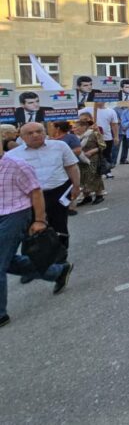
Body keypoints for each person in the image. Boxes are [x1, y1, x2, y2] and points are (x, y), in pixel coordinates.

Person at [1, 149, 74, 328]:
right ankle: (57, 271)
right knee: (7, 262)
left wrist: (40, 220)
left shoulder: (17, 165)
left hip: (15, 214)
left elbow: (36, 192)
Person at [6, 123, 80, 252]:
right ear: (21, 137)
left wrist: (76, 186)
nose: (35, 135)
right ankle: (37, 257)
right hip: (30, 197)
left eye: (39, 131)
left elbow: (71, 166)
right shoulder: (12, 155)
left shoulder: (60, 146)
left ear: (45, 132)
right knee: (34, 229)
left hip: (58, 192)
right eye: (30, 133)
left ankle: (61, 256)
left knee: (59, 226)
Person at [73, 116, 105, 206]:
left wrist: (92, 151)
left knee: (94, 177)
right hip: (80, 160)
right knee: (82, 178)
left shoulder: (94, 134)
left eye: (76, 127)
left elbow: (103, 145)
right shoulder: (75, 137)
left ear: (83, 127)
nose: (74, 129)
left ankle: (99, 195)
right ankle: (87, 196)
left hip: (93, 159)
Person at [82, 101, 118, 177]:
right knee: (95, 155)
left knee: (106, 154)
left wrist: (116, 136)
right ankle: (97, 172)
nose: (100, 101)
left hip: (107, 137)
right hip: (92, 137)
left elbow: (114, 125)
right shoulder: (87, 109)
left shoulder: (111, 111)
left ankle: (107, 171)